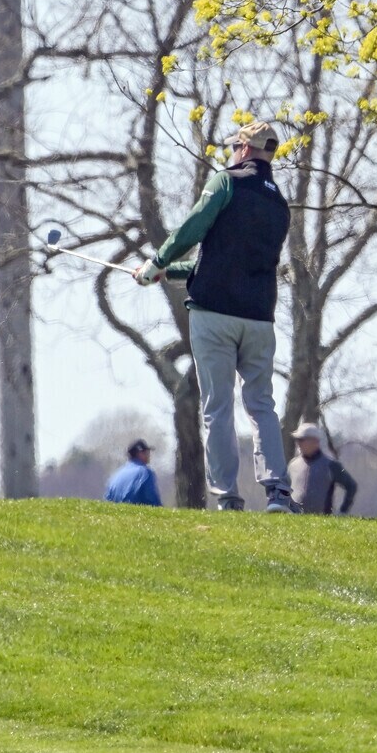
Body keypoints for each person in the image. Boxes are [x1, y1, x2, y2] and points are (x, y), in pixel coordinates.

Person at [137, 122, 295, 512]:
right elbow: (228, 256)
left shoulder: (226, 182)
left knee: (218, 407)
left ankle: (228, 497)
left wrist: (157, 261)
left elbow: (194, 229)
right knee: (261, 404)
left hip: (214, 314)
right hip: (259, 317)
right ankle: (277, 492)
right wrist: (168, 273)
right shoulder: (280, 204)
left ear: (243, 148)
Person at [286, 422, 358, 515]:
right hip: (294, 520)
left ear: (315, 441)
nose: (299, 443)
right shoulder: (293, 465)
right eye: (298, 440)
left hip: (322, 521)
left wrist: (343, 511)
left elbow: (351, 486)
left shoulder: (331, 465)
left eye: (302, 440)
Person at [103, 438, 163, 507]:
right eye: (146, 452)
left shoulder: (116, 474)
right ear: (140, 453)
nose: (149, 455)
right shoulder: (145, 473)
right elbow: (152, 500)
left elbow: (107, 500)